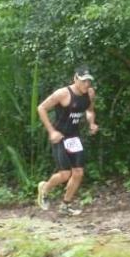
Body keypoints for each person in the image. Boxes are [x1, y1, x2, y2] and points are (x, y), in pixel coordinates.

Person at [36, 66, 99, 215]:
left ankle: (65, 206)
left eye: (88, 81)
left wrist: (91, 123)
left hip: (74, 137)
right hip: (60, 136)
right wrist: (52, 131)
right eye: (83, 81)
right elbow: (41, 108)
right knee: (65, 174)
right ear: (75, 79)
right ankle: (44, 188)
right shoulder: (63, 94)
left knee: (78, 173)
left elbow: (89, 111)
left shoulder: (90, 93)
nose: (86, 84)